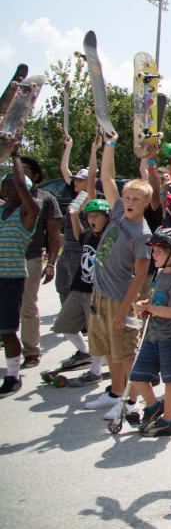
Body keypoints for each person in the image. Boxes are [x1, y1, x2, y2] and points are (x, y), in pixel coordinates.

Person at [82, 134, 154, 421]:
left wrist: (125, 307)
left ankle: (132, 400)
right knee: (109, 347)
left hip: (121, 298)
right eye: (126, 197)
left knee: (125, 349)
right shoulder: (117, 212)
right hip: (101, 293)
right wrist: (109, 144)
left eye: (136, 199)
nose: (129, 202)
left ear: (146, 202)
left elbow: (140, 275)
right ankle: (114, 391)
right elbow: (107, 177)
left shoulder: (143, 233)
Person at [129, 227, 171, 436]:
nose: (153, 255)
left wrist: (150, 308)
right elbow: (159, 303)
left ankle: (168, 420)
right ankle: (153, 407)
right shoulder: (160, 274)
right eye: (153, 251)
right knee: (138, 377)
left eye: (158, 251)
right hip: (153, 334)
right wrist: (145, 306)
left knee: (170, 380)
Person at [52, 198, 111, 386]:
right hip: (78, 289)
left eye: (97, 216)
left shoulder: (110, 238)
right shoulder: (88, 235)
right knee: (64, 326)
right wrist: (74, 214)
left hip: (97, 293)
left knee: (97, 334)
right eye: (90, 216)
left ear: (107, 218)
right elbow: (79, 234)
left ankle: (94, 372)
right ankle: (84, 352)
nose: (92, 219)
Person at [0, 154, 42, 397]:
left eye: (12, 187)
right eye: (3, 188)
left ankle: (13, 377)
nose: (6, 192)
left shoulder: (28, 213)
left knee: (7, 330)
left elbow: (21, 183)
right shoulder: (2, 211)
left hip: (11, 279)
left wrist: (15, 156)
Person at [16, 154, 61, 369]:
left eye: (23, 170)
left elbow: (53, 235)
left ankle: (31, 351)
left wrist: (51, 263)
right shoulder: (6, 197)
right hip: (6, 258)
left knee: (27, 306)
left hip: (31, 258)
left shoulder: (45, 199)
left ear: (35, 176)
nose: (18, 174)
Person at [56, 135, 96, 305]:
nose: (75, 182)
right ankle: (67, 315)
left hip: (80, 250)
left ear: (89, 182)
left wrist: (94, 151)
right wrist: (68, 147)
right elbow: (64, 169)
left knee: (77, 288)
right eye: (75, 180)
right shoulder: (76, 195)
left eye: (80, 180)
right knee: (62, 286)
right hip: (66, 249)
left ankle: (82, 321)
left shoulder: (93, 200)